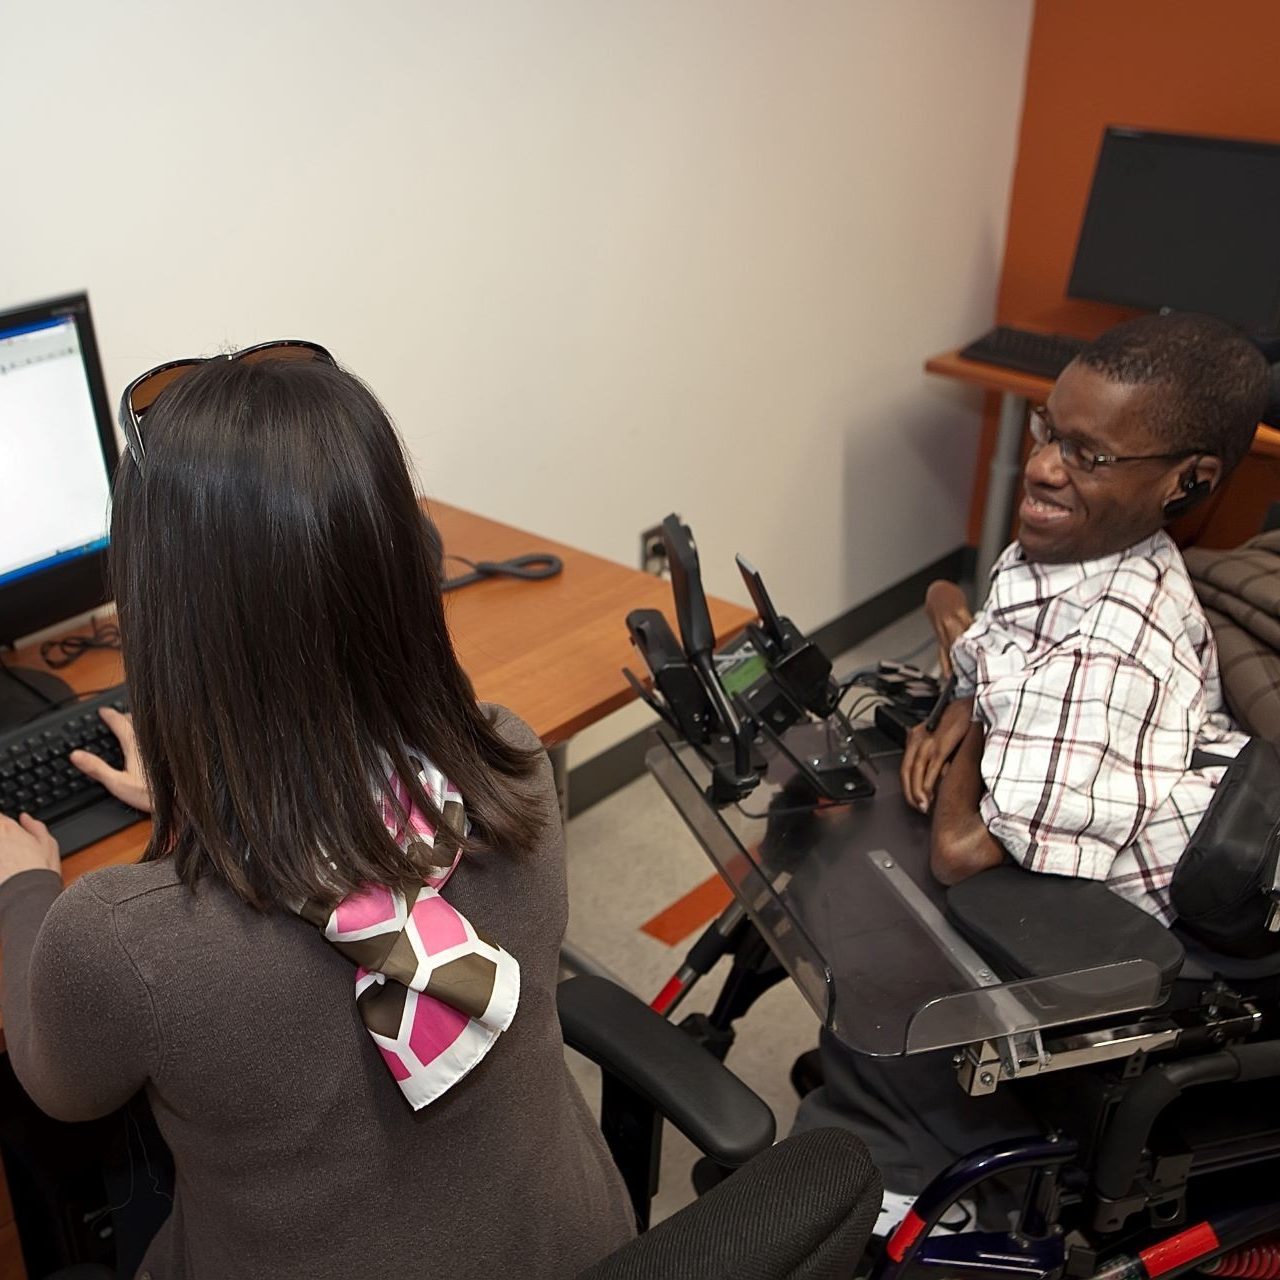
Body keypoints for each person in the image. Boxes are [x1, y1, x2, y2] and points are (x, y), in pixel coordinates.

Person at [0, 348, 635, 1278]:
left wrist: (22, 891)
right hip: (570, 1243)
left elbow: (61, 1088)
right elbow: (342, 851)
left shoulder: (122, 941)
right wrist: (200, 797)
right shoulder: (511, 769)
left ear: (164, 624)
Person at [795, 311, 1271, 1226]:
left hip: (1095, 940)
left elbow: (966, 852)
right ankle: (863, 1122)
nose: (1044, 467)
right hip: (1042, 843)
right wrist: (968, 692)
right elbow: (992, 634)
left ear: (1190, 481)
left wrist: (972, 724)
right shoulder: (1069, 547)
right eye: (1050, 430)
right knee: (834, 833)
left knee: (880, 910)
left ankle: (908, 1189)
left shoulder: (1117, 644)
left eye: (1089, 457)